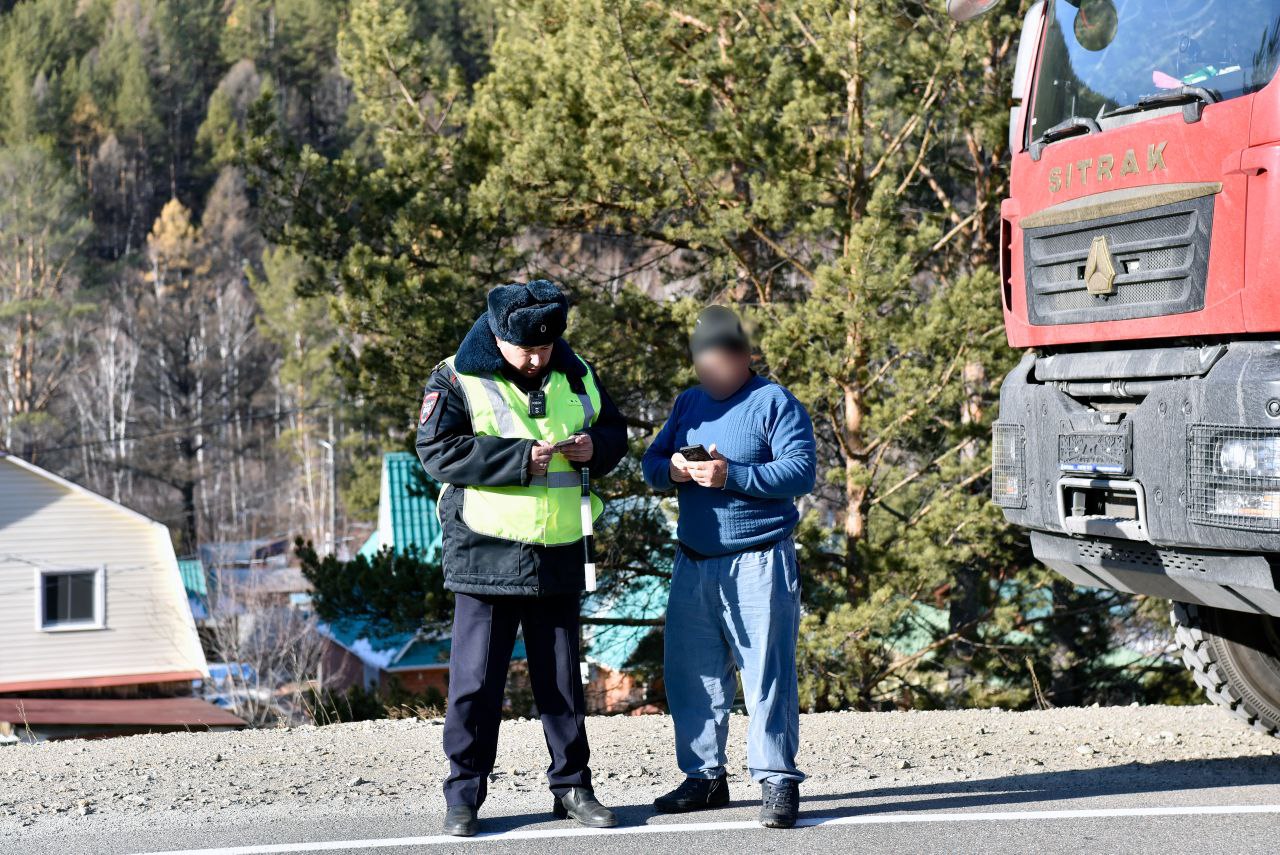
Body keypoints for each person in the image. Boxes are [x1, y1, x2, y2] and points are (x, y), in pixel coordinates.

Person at [416, 280, 628, 837]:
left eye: (546, 346)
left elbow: (613, 429)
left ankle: (573, 787)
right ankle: (463, 795)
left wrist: (595, 449)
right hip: (485, 550)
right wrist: (518, 461)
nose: (537, 358)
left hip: (558, 547)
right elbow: (436, 450)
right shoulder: (457, 376)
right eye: (525, 348)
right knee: (474, 685)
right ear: (498, 335)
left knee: (561, 681)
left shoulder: (575, 369)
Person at [641, 305, 817, 830]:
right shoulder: (687, 404)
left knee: (767, 673)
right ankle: (704, 778)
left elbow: (801, 472)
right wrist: (672, 468)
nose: (710, 371)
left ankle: (777, 778)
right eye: (703, 361)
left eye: (721, 360)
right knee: (691, 675)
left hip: (759, 558)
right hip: (694, 561)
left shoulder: (774, 403)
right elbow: (651, 465)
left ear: (745, 356)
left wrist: (730, 475)